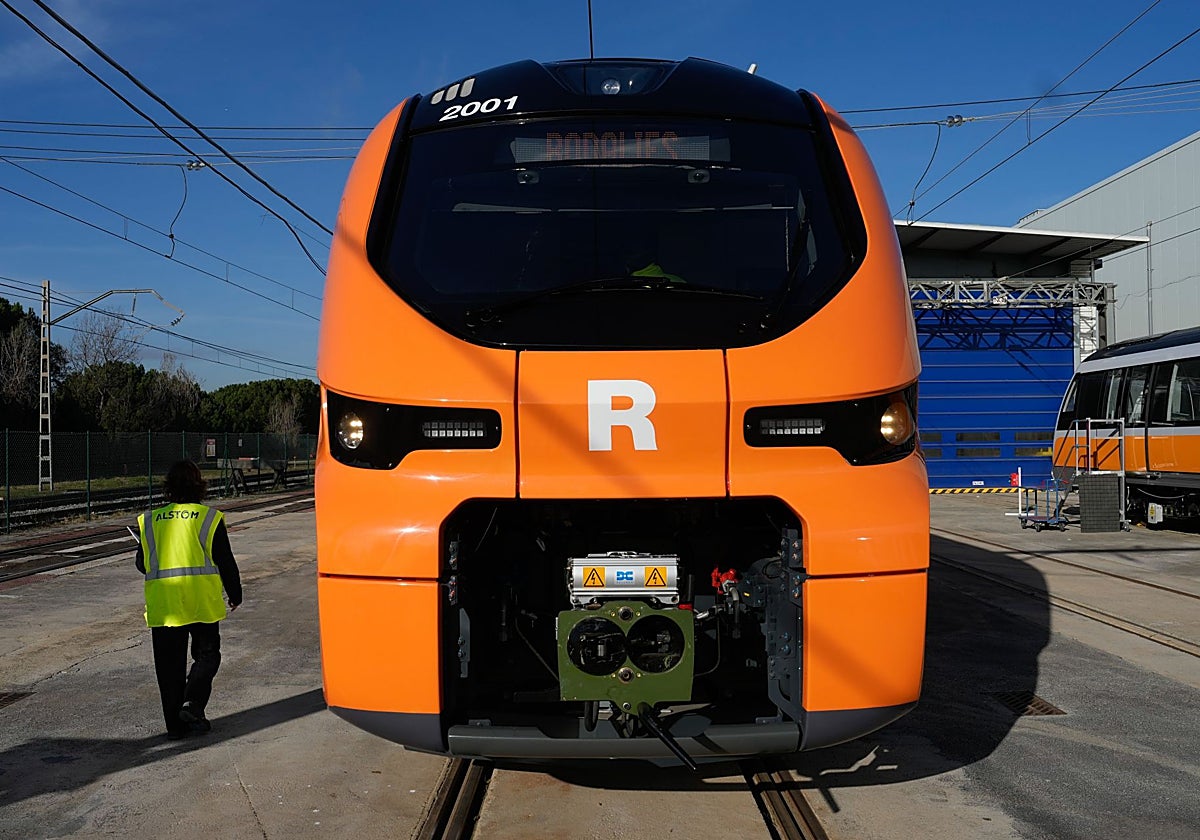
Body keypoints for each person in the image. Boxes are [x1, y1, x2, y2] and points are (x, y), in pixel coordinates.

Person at [135, 460, 242, 739]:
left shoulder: (150, 520)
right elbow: (225, 560)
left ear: (168, 487)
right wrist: (235, 593)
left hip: (165, 605)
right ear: (199, 486)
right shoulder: (208, 518)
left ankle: (175, 726)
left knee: (168, 668)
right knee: (207, 656)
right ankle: (193, 704)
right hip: (200, 602)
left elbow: (142, 564)